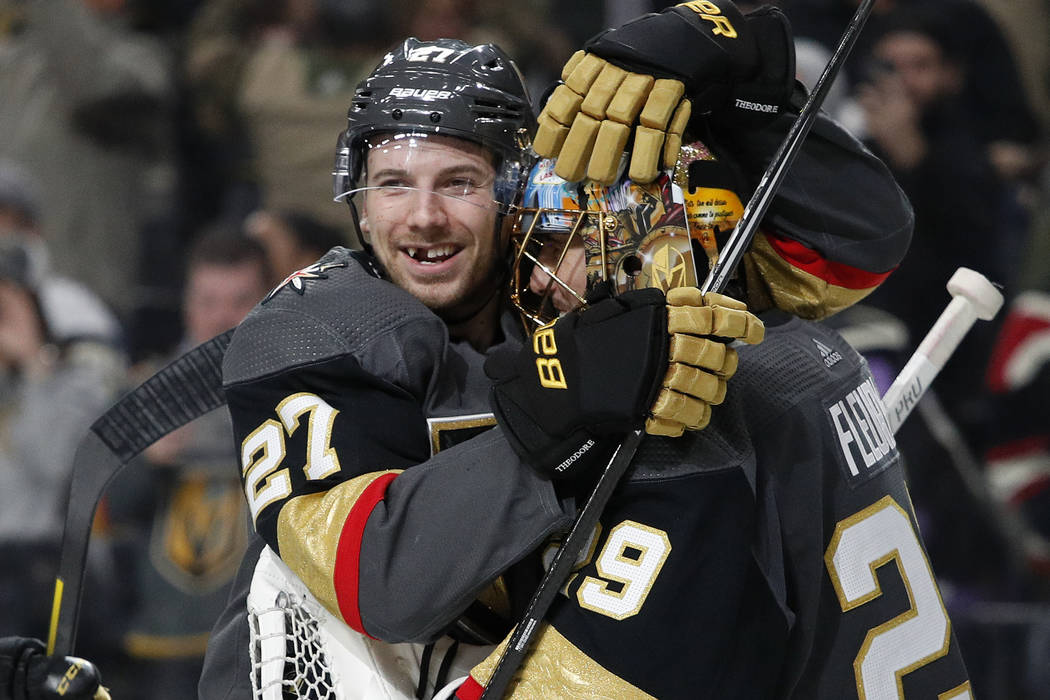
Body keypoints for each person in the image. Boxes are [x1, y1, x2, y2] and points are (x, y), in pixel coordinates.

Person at [1, 2, 964, 698]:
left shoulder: (578, 264)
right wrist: (562, 410)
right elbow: (376, 578)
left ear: (518, 191)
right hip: (342, 678)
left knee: (771, 386)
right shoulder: (312, 329)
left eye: (459, 181)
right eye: (392, 182)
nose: (422, 217)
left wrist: (742, 79)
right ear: (354, 197)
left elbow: (848, 250)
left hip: (536, 655)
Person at [99, 229, 270, 698]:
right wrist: (149, 460)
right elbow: (101, 513)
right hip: (161, 643)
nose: (221, 317)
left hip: (263, 639)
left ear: (267, 302)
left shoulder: (293, 392)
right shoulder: (145, 394)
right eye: (207, 300)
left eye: (240, 299)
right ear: (186, 305)